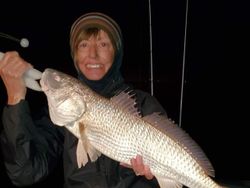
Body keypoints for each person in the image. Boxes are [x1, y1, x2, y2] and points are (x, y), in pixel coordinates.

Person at [0, 12, 168, 188]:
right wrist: (15, 99)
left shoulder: (142, 104)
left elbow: (174, 169)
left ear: (116, 52)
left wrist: (154, 177)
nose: (93, 55)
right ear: (75, 55)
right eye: (83, 45)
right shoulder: (60, 111)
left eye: (103, 44)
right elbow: (25, 173)